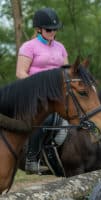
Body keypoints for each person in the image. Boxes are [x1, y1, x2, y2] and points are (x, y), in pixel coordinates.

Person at [16, 7, 68, 174]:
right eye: (48, 29)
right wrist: (40, 87)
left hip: (58, 93)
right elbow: (20, 73)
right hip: (36, 94)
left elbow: (66, 71)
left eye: (55, 29)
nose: (52, 32)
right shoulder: (28, 47)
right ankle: (32, 159)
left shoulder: (60, 47)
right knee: (45, 117)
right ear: (38, 29)